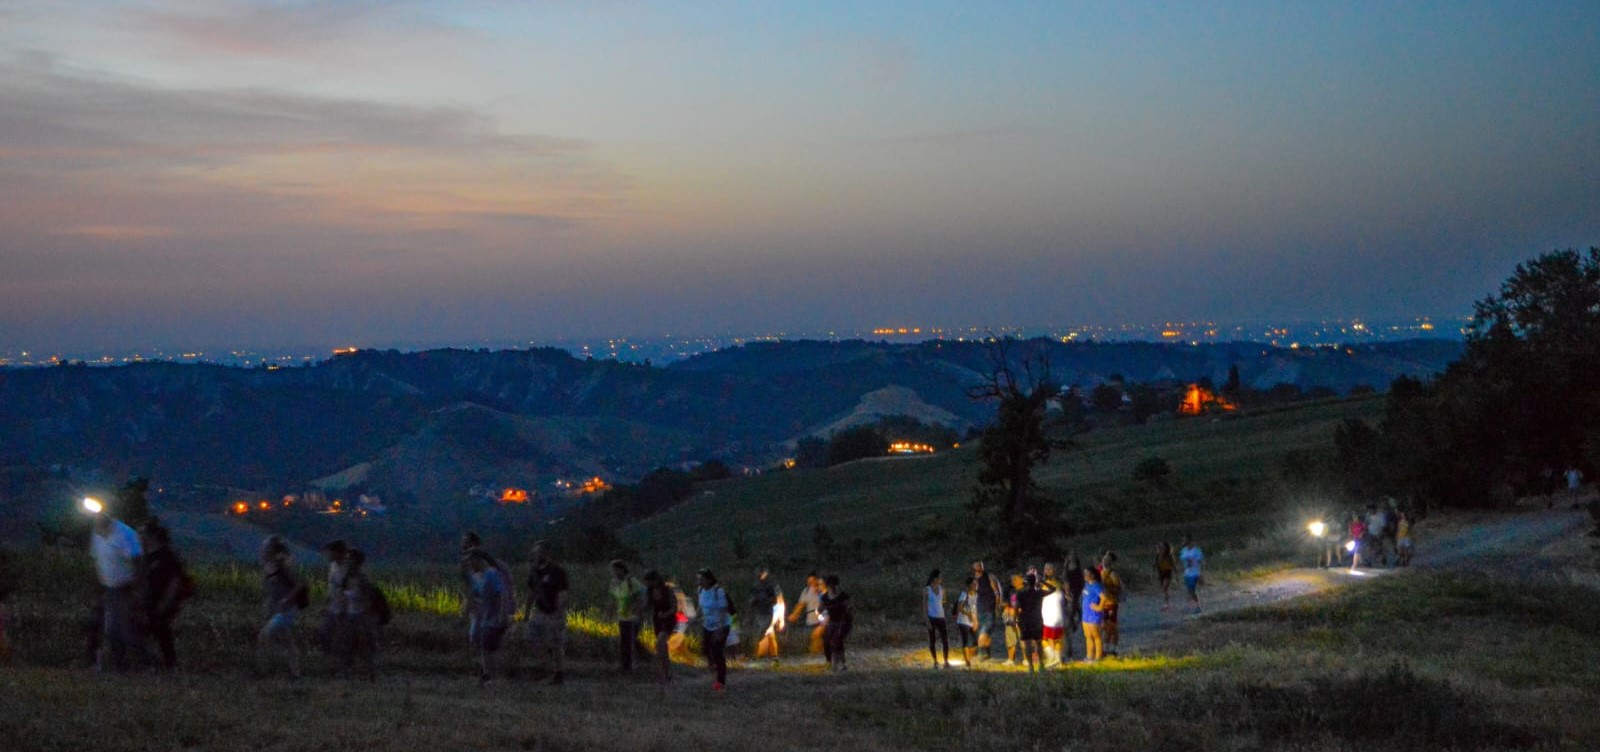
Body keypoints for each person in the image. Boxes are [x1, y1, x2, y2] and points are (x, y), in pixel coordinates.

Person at [90, 506, 150, 672]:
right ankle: (119, 665)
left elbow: (137, 562)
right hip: (110, 589)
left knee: (127, 629)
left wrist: (138, 590)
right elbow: (98, 562)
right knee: (112, 629)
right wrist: (99, 589)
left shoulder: (124, 534)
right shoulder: (97, 534)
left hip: (126, 588)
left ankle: (141, 665)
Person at [140, 518, 189, 670]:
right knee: (156, 631)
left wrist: (166, 602)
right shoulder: (148, 557)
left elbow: (175, 582)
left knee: (160, 630)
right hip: (151, 601)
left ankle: (167, 663)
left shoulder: (167, 557)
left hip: (163, 601)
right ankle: (161, 663)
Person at [257, 536, 304, 679]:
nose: (263, 549)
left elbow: (299, 585)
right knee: (286, 640)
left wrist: (285, 600)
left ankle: (265, 670)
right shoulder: (268, 565)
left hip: (284, 609)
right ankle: (294, 672)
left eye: (266, 547)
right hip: (273, 607)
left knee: (265, 636)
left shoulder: (282, 565)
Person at [522, 541, 569, 685]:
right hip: (540, 613)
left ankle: (558, 674)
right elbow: (531, 594)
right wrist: (527, 613)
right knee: (530, 637)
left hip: (554, 613)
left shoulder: (557, 572)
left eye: (536, 553)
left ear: (544, 554)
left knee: (556, 644)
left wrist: (558, 612)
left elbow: (562, 594)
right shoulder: (534, 573)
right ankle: (544, 665)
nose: (534, 556)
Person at [468, 550, 511, 685]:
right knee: (486, 647)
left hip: (494, 617)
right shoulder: (478, 577)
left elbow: (501, 594)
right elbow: (475, 596)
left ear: (479, 560)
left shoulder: (491, 574)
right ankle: (488, 675)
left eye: (472, 561)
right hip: (486, 618)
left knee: (487, 646)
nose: (471, 565)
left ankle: (488, 675)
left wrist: (502, 614)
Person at [337, 548, 378, 681]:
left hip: (360, 617)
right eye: (347, 559)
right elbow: (342, 597)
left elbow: (369, 600)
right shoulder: (346, 578)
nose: (347, 561)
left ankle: (370, 673)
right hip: (350, 616)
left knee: (363, 646)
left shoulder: (362, 580)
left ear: (357, 562)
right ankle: (347, 672)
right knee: (346, 645)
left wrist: (364, 619)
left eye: (350, 559)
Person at [696, 568, 735, 690]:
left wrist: (720, 629)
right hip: (707, 624)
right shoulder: (700, 590)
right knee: (707, 650)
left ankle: (720, 680)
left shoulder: (719, 591)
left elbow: (724, 611)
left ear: (708, 579)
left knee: (717, 651)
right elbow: (700, 606)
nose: (699, 581)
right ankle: (713, 669)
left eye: (701, 579)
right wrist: (696, 618)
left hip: (721, 625)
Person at [609, 560, 645, 673]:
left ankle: (632, 665)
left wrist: (638, 609)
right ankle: (625, 665)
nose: (614, 572)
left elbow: (642, 594)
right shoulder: (614, 582)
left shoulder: (631, 581)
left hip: (632, 617)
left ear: (621, 569)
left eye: (615, 569)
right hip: (622, 616)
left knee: (630, 641)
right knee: (623, 642)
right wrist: (610, 610)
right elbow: (613, 597)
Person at [643, 570, 677, 684]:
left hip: (668, 620)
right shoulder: (649, 591)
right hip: (657, 621)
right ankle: (667, 673)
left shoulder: (667, 590)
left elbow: (674, 607)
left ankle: (667, 673)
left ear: (655, 580)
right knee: (662, 648)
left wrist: (665, 614)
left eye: (649, 581)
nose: (647, 584)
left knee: (660, 643)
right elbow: (647, 606)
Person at [319, 539, 350, 657]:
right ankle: (331, 656)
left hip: (345, 607)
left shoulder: (348, 567)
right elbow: (331, 586)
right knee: (325, 632)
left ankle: (341, 658)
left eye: (330, 552)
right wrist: (326, 603)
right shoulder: (333, 566)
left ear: (338, 553)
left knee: (341, 634)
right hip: (334, 606)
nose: (328, 554)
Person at [748, 566, 784, 662]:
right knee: (769, 634)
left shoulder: (772, 585)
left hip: (771, 612)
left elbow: (780, 601)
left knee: (762, 632)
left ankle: (759, 657)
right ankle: (774, 657)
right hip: (761, 613)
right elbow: (752, 601)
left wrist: (781, 619)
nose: (759, 575)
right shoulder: (756, 586)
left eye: (761, 573)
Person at [787, 572, 825, 658]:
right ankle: (817, 658)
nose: (812, 584)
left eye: (813, 582)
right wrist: (794, 615)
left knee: (816, 636)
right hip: (811, 622)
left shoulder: (823, 591)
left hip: (824, 621)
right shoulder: (806, 591)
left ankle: (816, 658)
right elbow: (801, 605)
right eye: (809, 583)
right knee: (816, 641)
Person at [970, 561, 1003, 660]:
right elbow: (972, 599)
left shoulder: (989, 577)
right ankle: (986, 655)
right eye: (976, 565)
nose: (978, 566)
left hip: (989, 610)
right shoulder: (974, 581)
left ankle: (980, 656)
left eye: (980, 564)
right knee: (983, 634)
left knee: (984, 633)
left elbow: (997, 592)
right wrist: (974, 616)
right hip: (979, 610)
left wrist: (997, 606)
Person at [819, 574, 853, 672]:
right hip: (831, 622)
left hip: (843, 622)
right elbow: (820, 609)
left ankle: (835, 666)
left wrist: (847, 611)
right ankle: (842, 664)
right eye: (830, 585)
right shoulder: (825, 598)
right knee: (828, 641)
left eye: (834, 585)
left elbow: (849, 608)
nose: (832, 588)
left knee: (836, 641)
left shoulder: (843, 596)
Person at [1015, 573, 1045, 672]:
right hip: (1036, 618)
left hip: (1025, 619)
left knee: (1027, 644)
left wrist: (1015, 618)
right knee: (1038, 643)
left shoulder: (1021, 594)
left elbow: (1016, 606)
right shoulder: (1039, 592)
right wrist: (1043, 582)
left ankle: (1030, 666)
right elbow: (1053, 589)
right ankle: (1041, 664)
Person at [1039, 565, 1066, 667]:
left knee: (1045, 638)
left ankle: (1052, 658)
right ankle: (1058, 659)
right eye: (1045, 568)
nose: (1046, 571)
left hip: (1050, 616)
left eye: (1048, 569)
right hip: (1059, 616)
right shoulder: (1060, 583)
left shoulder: (1046, 584)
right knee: (1057, 638)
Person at [924, 570, 951, 668]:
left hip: (941, 617)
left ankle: (946, 661)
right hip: (931, 617)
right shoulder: (927, 590)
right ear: (934, 578)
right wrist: (927, 620)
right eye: (939, 577)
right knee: (932, 640)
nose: (941, 579)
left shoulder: (942, 589)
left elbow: (943, 602)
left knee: (945, 640)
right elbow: (925, 606)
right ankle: (935, 661)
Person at [668, 575, 697, 663]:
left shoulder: (685, 599)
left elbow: (690, 615)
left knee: (676, 640)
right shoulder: (680, 598)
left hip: (680, 620)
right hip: (676, 620)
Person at [1098, 552, 1123, 657]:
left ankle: (1113, 650)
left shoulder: (1113, 574)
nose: (1105, 561)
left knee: (1111, 626)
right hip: (1103, 603)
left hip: (1111, 603)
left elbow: (1118, 588)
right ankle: (1106, 649)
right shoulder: (1101, 572)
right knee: (1105, 627)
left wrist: (1107, 589)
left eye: (1108, 560)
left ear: (1111, 562)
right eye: (1104, 559)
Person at [1081, 568, 1106, 662]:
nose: (1084, 575)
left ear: (1092, 575)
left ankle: (1098, 657)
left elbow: (1104, 598)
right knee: (1088, 636)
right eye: (1084, 573)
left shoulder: (1096, 586)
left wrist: (1099, 607)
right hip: (1085, 615)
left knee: (1096, 636)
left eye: (1087, 573)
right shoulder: (1086, 585)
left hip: (1094, 615)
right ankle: (1089, 656)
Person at [954, 576, 980, 669]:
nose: (975, 585)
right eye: (973, 584)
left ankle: (968, 657)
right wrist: (969, 614)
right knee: (965, 640)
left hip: (972, 621)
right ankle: (967, 661)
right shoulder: (964, 594)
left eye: (976, 584)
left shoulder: (976, 595)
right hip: (963, 621)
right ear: (969, 585)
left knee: (976, 641)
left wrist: (975, 621)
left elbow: (975, 609)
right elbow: (959, 608)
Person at [1179, 536, 1205, 613]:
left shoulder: (1196, 551)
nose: (1184, 543)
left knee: (1191, 590)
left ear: (1190, 542)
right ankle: (1192, 606)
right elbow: (1182, 561)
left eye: (1186, 541)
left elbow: (1201, 562)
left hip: (1195, 573)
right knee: (1189, 590)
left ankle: (1197, 606)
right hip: (1187, 573)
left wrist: (1201, 574)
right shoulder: (1183, 550)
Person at [1003, 572, 1024, 664]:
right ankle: (1011, 659)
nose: (1013, 581)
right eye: (1012, 579)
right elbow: (1006, 601)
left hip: (1022, 617)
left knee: (1023, 638)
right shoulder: (1010, 590)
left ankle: (1026, 659)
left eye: (1015, 579)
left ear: (1020, 579)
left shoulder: (1025, 590)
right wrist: (1006, 607)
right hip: (1010, 616)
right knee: (1010, 638)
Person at [0, 549, 14, 666]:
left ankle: (6, 661)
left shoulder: (6, 575)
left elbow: (6, 590)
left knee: (2, 634)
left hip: (2, 604)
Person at [1155, 542, 1176, 611]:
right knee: (1165, 590)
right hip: (1161, 573)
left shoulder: (1169, 556)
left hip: (1167, 573)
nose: (1161, 549)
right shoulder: (1158, 555)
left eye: (1163, 547)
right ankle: (1167, 604)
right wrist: (1156, 573)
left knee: (1165, 588)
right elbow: (1156, 565)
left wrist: (1176, 572)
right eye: (1160, 547)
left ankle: (1167, 604)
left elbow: (1173, 565)